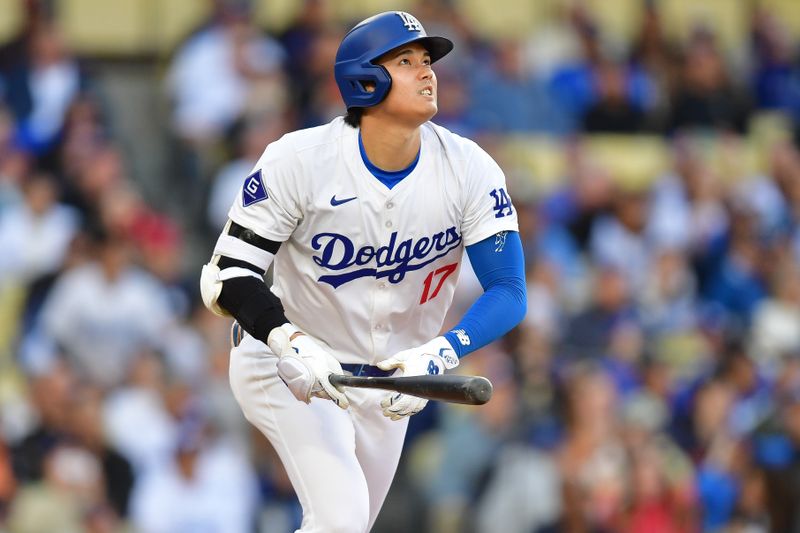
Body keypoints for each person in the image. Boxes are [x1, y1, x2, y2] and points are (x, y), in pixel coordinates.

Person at [199, 11, 527, 532]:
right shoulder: (300, 160)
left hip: (390, 380)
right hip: (289, 365)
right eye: (405, 61)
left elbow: (510, 291)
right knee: (342, 519)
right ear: (364, 80)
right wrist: (286, 340)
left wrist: (442, 351)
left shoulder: (469, 168)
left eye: (427, 60)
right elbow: (227, 275)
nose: (427, 72)